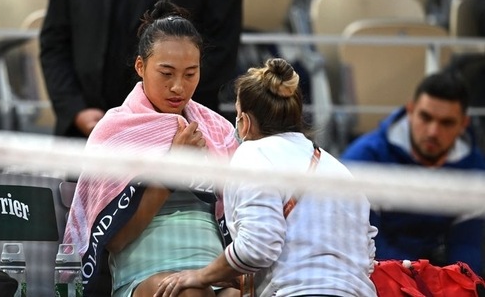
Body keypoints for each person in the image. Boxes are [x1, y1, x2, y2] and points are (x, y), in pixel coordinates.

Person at [154, 58, 378, 297]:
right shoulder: (337, 168)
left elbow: (258, 246)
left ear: (245, 122)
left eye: (238, 116)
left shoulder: (252, 154)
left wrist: (200, 276)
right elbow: (368, 253)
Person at [62, 0, 239, 297]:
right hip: (146, 271)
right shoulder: (114, 131)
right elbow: (115, 240)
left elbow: (241, 216)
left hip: (212, 268)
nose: (178, 87)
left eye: (190, 74)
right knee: (191, 294)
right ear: (141, 66)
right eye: (166, 73)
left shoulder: (217, 129)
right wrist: (172, 170)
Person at [39, 0, 242, 138]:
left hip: (181, 139)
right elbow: (54, 43)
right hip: (87, 134)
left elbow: (221, 49)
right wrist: (75, 109)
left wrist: (158, 118)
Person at [341, 71, 485, 274]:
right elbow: (363, 248)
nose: (433, 131)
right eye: (425, 117)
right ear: (410, 111)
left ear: (463, 124)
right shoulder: (364, 160)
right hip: (373, 275)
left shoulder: (474, 172)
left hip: (435, 274)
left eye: (447, 123)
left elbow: (466, 248)